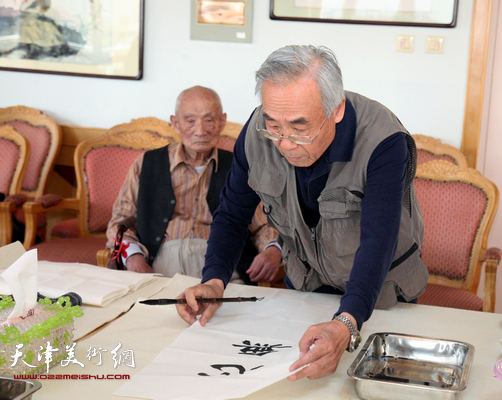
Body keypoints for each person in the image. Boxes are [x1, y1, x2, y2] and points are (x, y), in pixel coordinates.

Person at [176, 46, 429, 380]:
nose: (285, 143)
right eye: (274, 125)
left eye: (299, 127)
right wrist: (214, 280)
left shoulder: (383, 140)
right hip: (306, 286)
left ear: (336, 109)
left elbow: (378, 240)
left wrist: (346, 323)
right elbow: (232, 213)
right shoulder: (256, 134)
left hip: (380, 292)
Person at [106, 86, 282, 283]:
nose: (200, 131)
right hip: (159, 269)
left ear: (222, 121)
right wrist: (133, 257)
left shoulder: (239, 166)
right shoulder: (146, 164)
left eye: (209, 120)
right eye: (190, 121)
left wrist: (272, 250)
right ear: (175, 123)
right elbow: (119, 223)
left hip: (224, 269)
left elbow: (263, 225)